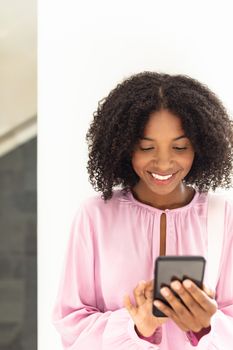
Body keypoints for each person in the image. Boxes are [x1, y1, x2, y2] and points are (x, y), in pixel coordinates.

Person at [52, 72, 233, 349]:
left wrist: (206, 327)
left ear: (200, 145)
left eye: (180, 146)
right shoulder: (95, 216)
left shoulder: (223, 216)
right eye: (146, 147)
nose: (163, 163)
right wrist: (137, 327)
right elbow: (71, 325)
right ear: (124, 146)